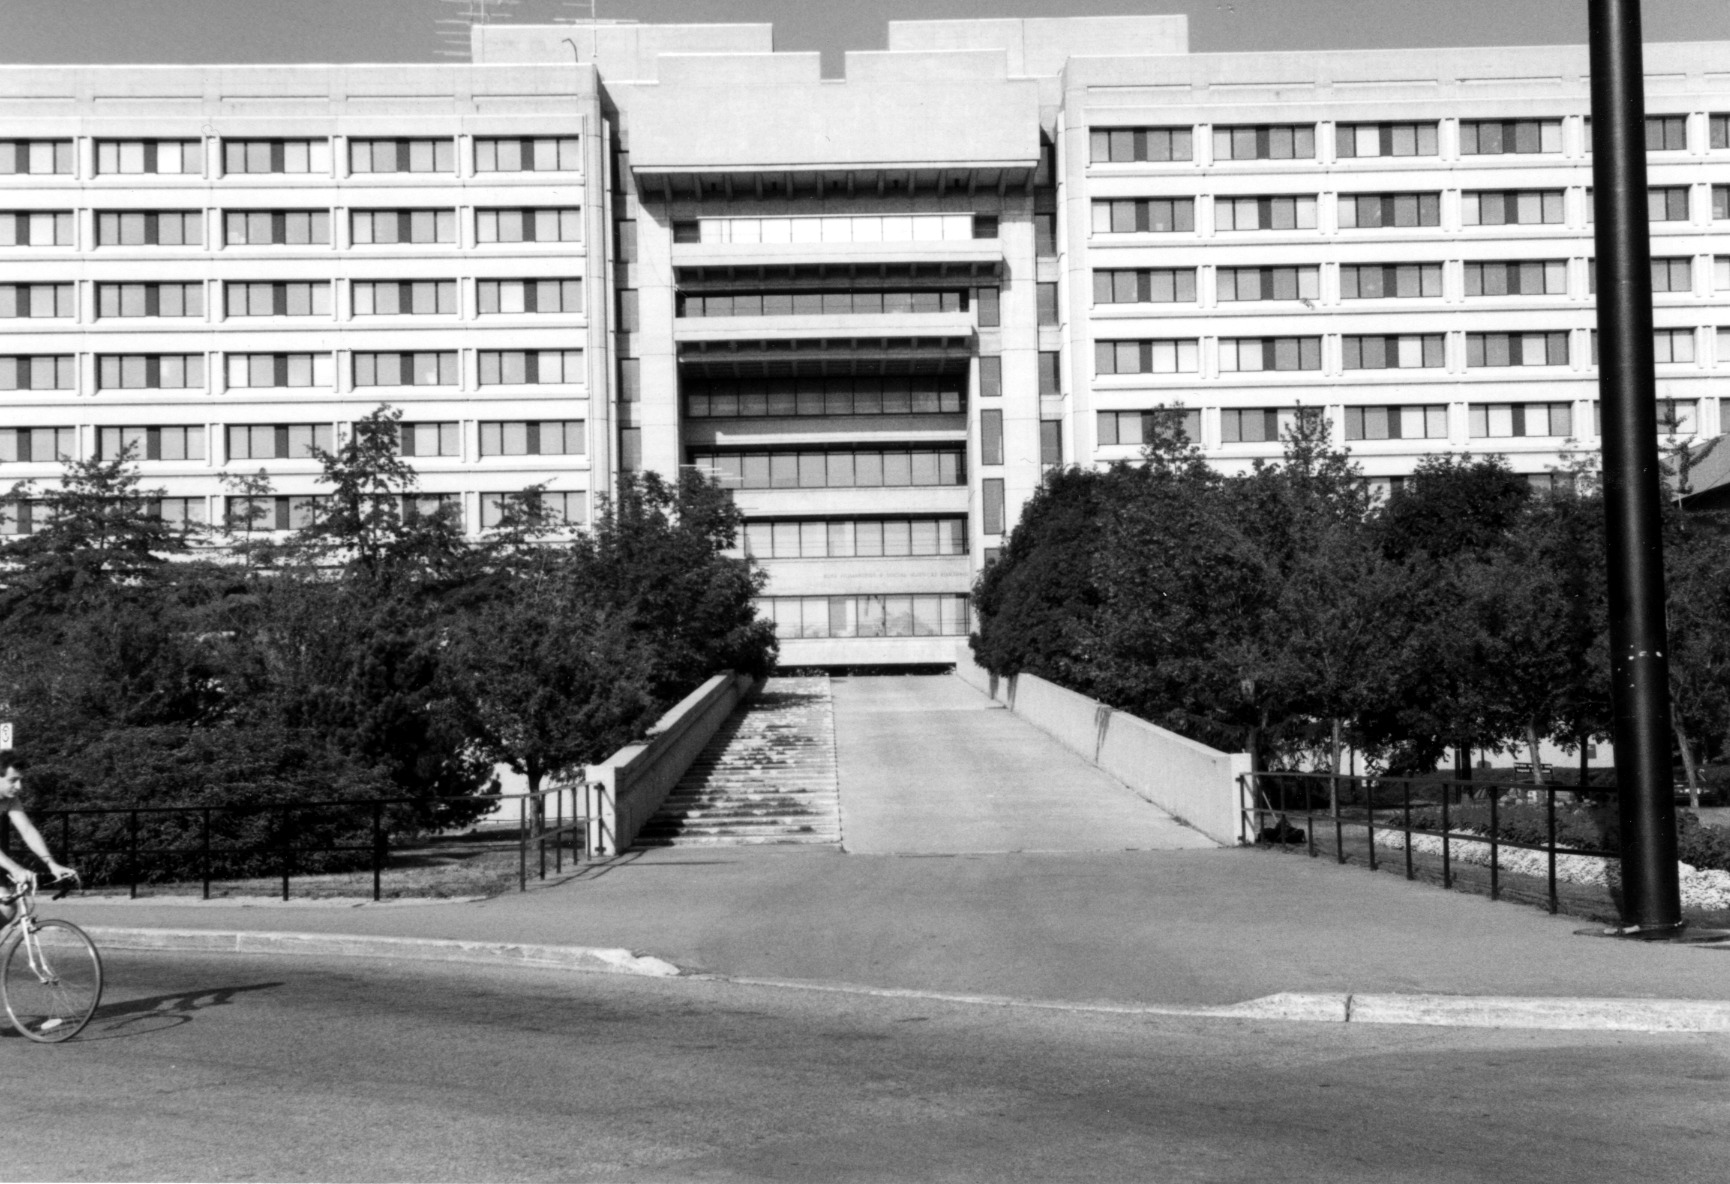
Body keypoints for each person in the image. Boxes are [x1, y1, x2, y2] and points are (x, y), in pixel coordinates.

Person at [0, 752, 77, 918]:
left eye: (21, 780)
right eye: (13, 780)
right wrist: (15, 869)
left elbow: (27, 830)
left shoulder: (10, 800)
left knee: (7, 909)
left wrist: (52, 864)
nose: (19, 786)